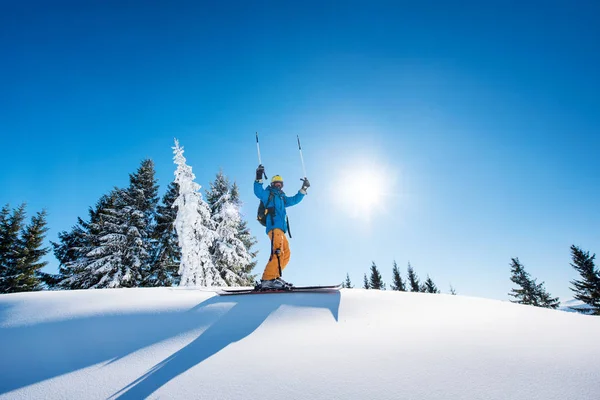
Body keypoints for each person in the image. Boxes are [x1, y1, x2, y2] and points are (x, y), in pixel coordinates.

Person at [254, 164, 310, 289]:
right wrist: (259, 176)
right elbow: (258, 191)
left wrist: (304, 188)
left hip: (281, 229)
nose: (278, 185)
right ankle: (267, 280)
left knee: (286, 254)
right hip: (273, 227)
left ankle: (274, 276)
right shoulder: (268, 194)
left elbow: (294, 200)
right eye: (276, 183)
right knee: (278, 252)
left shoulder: (282, 197)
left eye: (280, 184)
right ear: (273, 184)